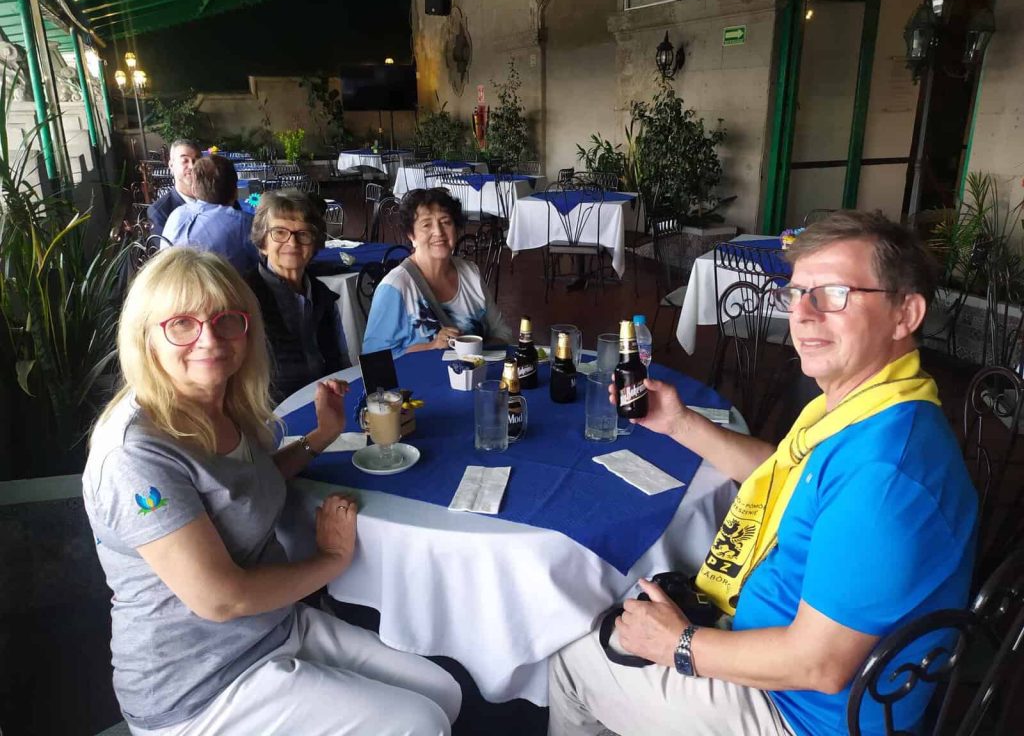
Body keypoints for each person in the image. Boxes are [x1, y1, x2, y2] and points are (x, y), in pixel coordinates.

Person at [548, 211, 977, 736]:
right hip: (770, 649)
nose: (804, 314)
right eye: (796, 293)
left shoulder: (884, 471)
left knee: (570, 661)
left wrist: (680, 644)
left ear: (905, 313)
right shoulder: (872, 407)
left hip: (798, 712)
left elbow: (819, 665)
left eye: (834, 294)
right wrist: (679, 423)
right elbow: (787, 477)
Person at [83, 248, 461, 735]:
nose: (209, 339)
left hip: (272, 628)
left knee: (442, 692)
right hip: (197, 687)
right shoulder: (135, 455)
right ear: (146, 337)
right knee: (418, 723)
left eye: (226, 320)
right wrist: (331, 559)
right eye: (182, 324)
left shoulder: (221, 402)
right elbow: (220, 600)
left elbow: (243, 488)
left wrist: (320, 437)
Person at [362, 188, 513, 356]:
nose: (439, 232)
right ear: (411, 235)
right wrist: (431, 346)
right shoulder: (395, 287)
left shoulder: (471, 273)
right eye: (427, 225)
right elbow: (373, 357)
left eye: (446, 222)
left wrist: (475, 349)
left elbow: (503, 333)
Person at [245, 188, 348, 402]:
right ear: (263, 243)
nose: (292, 243)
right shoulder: (244, 298)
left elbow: (340, 363)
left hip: (325, 404)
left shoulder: (323, 296)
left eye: (303, 234)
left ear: (315, 243)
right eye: (279, 233)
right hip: (270, 412)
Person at [163, 154, 258, 274]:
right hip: (221, 286)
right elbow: (267, 263)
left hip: (168, 283)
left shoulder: (175, 214)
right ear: (235, 192)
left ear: (194, 190)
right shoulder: (244, 223)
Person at [147, 139, 200, 235]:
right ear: (171, 165)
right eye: (185, 161)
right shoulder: (160, 211)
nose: (192, 166)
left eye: (196, 160)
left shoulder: (215, 198)